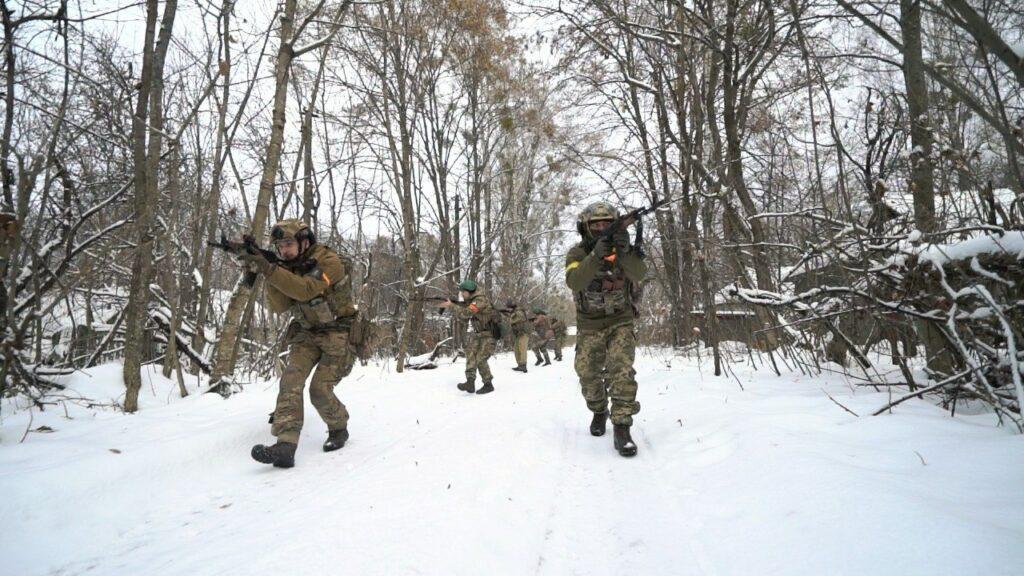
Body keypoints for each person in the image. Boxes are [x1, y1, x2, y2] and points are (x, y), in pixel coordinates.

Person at [243, 219, 358, 469]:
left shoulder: (329, 261)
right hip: (307, 334)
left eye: (288, 244)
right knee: (290, 380)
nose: (284, 250)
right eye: (279, 246)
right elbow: (280, 306)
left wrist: (272, 270)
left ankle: (339, 427)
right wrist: (268, 270)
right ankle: (286, 445)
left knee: (319, 389)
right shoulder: (287, 266)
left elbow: (307, 290)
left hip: (339, 335)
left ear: (304, 240)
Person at [565, 202, 647, 457]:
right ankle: (600, 409)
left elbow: (640, 272)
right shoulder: (577, 253)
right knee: (587, 373)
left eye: (606, 223)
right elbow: (575, 281)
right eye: (596, 224)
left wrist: (622, 251)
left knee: (621, 370)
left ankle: (622, 426)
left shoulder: (622, 248)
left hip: (620, 320)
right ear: (586, 228)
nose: (601, 228)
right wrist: (595, 255)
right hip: (590, 324)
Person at [441, 279, 499, 395]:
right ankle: (470, 382)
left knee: (481, 359)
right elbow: (463, 318)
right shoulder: (472, 301)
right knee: (470, 353)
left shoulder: (480, 300)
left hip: (489, 334)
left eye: (463, 292)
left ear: (469, 291)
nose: (462, 294)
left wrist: (452, 306)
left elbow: (465, 313)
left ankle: (488, 384)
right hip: (479, 334)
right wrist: (454, 305)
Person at [506, 302, 531, 373]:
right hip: (518, 334)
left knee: (522, 349)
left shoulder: (519, 311)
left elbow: (521, 318)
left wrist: (511, 318)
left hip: (523, 333)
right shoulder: (514, 312)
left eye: (510, 308)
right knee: (516, 349)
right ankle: (520, 365)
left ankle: (523, 366)